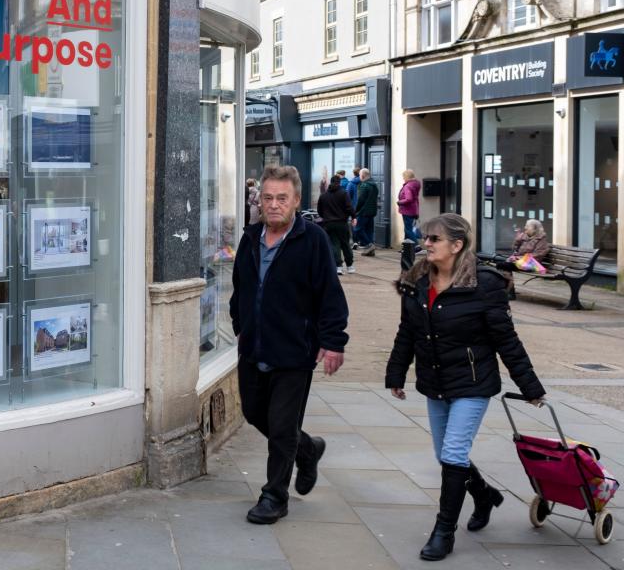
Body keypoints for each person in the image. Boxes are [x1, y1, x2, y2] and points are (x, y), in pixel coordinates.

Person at [385, 213, 545, 562]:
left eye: (434, 239)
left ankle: (444, 531)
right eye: (425, 238)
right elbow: (407, 332)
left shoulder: (484, 284)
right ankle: (484, 494)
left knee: (454, 454)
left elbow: (506, 339)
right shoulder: (416, 280)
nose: (425, 245)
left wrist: (530, 385)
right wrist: (396, 373)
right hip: (435, 380)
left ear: (457, 245)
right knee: (445, 454)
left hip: (473, 383)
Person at [230, 165, 349, 525]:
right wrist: (240, 323)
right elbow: (240, 287)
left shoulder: (312, 240)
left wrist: (332, 342)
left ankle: (274, 495)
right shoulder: (250, 238)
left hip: (295, 351)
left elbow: (330, 294)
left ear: (296, 200)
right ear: (259, 200)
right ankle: (308, 448)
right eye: (267, 198)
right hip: (253, 346)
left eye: (282, 198)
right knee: (254, 413)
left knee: (281, 425)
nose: (274, 205)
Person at [317, 174, 356, 274]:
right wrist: (353, 217)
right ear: (339, 182)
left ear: (330, 182)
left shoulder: (324, 196)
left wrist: (326, 217)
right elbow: (349, 207)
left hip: (328, 224)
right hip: (342, 223)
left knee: (334, 245)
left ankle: (338, 266)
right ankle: (350, 266)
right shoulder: (343, 194)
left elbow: (320, 211)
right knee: (345, 244)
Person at [354, 168, 379, 256]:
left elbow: (360, 200)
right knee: (369, 230)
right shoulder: (374, 185)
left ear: (363, 176)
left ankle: (369, 245)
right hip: (372, 211)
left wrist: (355, 211)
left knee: (358, 229)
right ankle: (370, 251)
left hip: (364, 211)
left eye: (360, 176)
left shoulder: (364, 185)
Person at [398, 169, 422, 243]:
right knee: (408, 229)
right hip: (413, 209)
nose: (403, 179)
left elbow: (409, 199)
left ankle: (416, 246)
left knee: (408, 230)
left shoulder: (408, 186)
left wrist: (400, 202)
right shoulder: (415, 184)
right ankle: (406, 248)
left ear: (407, 177)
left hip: (407, 210)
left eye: (404, 177)